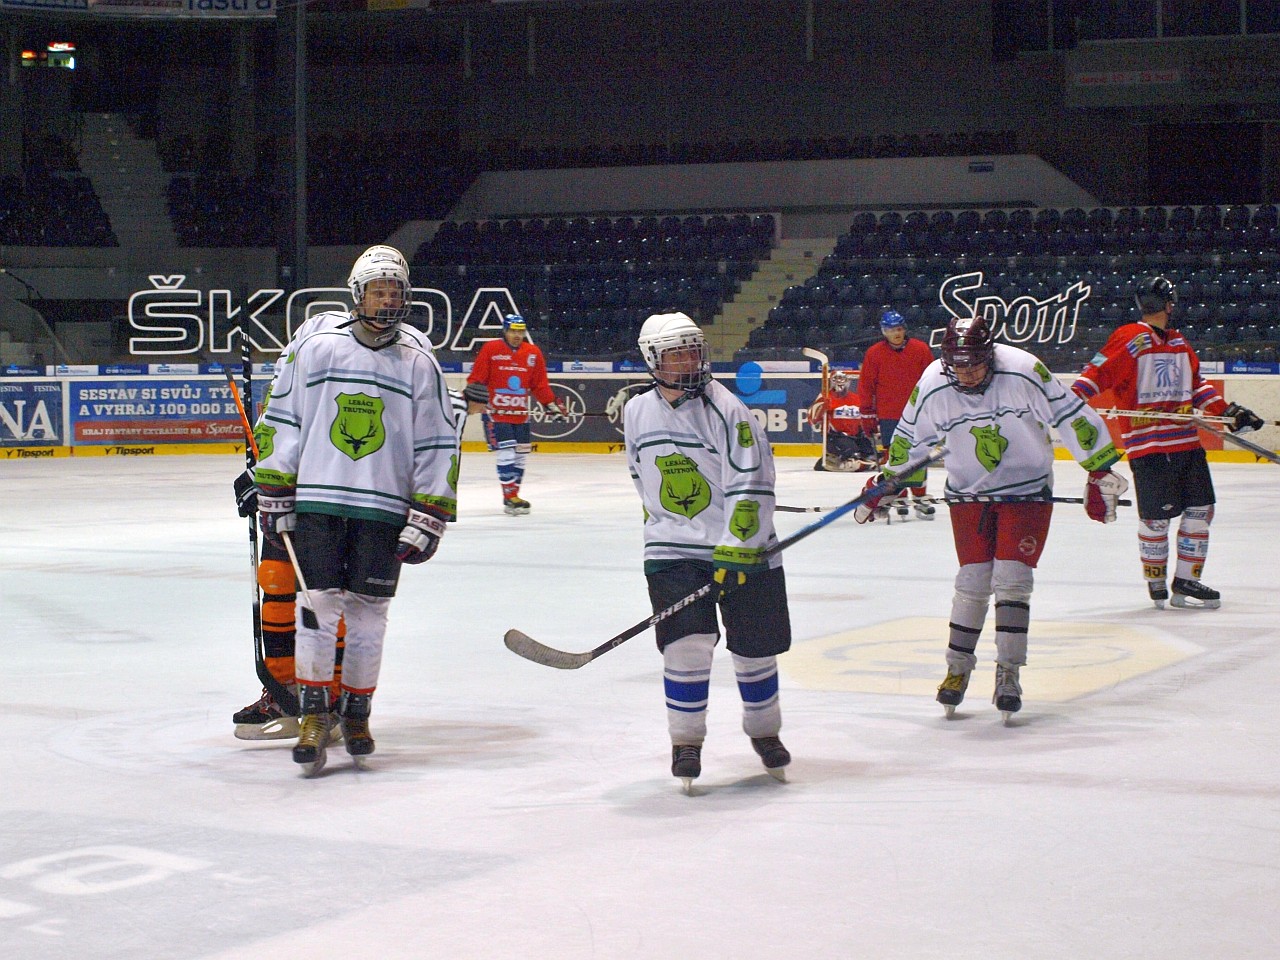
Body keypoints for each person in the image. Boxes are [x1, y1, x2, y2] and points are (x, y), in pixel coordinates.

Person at [230, 249, 482, 741]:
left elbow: (433, 433)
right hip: (307, 494)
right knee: (283, 586)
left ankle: (336, 702)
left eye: (393, 291)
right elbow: (282, 416)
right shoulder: (313, 343)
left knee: (347, 604)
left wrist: (429, 508)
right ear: (357, 295)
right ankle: (284, 693)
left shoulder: (412, 355)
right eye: (376, 291)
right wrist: (262, 478)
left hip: (368, 499)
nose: (385, 301)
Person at [859, 314, 1127, 721]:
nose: (965, 374)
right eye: (957, 365)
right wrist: (887, 482)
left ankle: (1008, 672)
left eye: (973, 364)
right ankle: (957, 668)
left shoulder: (1023, 369)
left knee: (1012, 579)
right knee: (972, 581)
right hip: (969, 491)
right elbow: (911, 440)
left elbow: (1070, 413)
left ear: (990, 355)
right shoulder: (933, 382)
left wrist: (1099, 470)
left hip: (1027, 488)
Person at [622, 311, 793, 789]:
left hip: (744, 547)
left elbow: (753, 482)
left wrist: (738, 549)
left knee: (755, 648)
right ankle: (685, 741)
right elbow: (640, 475)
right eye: (676, 355)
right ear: (653, 361)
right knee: (685, 645)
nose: (688, 362)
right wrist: (663, 525)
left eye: (693, 351)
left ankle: (765, 732)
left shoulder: (728, 409)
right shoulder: (636, 411)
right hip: (672, 546)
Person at [1071, 275, 1264, 610]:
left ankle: (1185, 579)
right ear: (1170, 304)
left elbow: (1197, 387)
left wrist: (1229, 412)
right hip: (1150, 447)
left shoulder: (1177, 342)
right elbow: (1096, 374)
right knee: (1157, 519)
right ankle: (1156, 579)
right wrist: (1069, 403)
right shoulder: (1131, 337)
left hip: (1186, 443)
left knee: (1200, 511)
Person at [466, 313, 567, 515]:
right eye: (513, 331)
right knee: (506, 452)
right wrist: (473, 401)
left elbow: (539, 385)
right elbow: (476, 379)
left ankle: (513, 496)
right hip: (496, 414)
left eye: (520, 331)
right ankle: (510, 496)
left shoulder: (533, 353)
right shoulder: (491, 349)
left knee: (520, 455)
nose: (517, 335)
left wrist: (552, 405)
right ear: (505, 331)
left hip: (520, 414)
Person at [856, 309, 937, 519]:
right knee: (894, 457)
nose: (896, 333)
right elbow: (866, 385)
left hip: (918, 413)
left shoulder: (920, 349)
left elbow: (933, 379)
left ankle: (919, 497)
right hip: (889, 414)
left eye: (899, 329)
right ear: (884, 332)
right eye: (891, 330)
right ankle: (898, 496)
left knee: (920, 456)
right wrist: (867, 413)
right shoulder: (874, 353)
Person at [807, 368, 879, 471]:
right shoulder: (825, 397)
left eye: (842, 380)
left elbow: (863, 417)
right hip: (835, 437)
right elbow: (812, 419)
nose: (839, 385)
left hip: (856, 437)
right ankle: (832, 458)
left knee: (870, 454)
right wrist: (822, 407)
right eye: (836, 381)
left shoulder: (856, 398)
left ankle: (856, 460)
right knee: (852, 453)